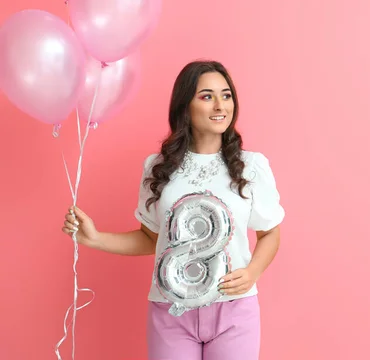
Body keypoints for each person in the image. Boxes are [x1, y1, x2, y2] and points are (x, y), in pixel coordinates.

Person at [61, 60, 285, 360]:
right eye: (206, 96)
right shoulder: (158, 167)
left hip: (234, 309)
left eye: (226, 95)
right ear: (185, 106)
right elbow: (151, 239)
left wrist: (252, 272)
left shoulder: (251, 165)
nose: (220, 104)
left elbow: (270, 232)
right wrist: (95, 238)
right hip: (170, 311)